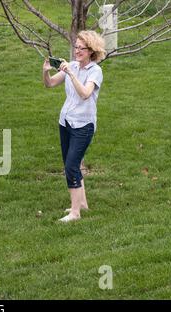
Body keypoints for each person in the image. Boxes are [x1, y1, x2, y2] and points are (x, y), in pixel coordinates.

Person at [42, 31, 106, 222]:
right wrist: (46, 71)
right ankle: (82, 204)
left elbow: (85, 93)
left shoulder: (95, 71)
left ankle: (75, 213)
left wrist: (70, 74)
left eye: (81, 48)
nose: (76, 51)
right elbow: (50, 84)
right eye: (75, 47)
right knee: (74, 164)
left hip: (83, 125)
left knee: (70, 167)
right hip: (66, 121)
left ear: (91, 51)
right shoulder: (71, 65)